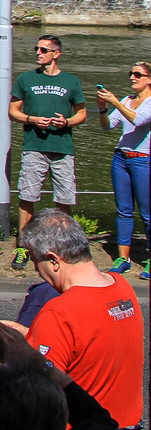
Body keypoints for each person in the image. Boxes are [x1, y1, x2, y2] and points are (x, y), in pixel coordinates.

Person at [21, 210, 144, 430]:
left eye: (33, 258)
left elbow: (37, 397)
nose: (33, 268)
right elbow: (93, 346)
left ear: (53, 260)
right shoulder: (123, 288)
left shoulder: (59, 313)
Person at [7, 34, 87, 270]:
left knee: (64, 200)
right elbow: (13, 111)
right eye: (36, 48)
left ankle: (62, 246)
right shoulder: (26, 79)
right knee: (27, 196)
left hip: (62, 148)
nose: (38, 53)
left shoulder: (72, 81)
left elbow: (82, 113)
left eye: (43, 49)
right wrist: (31, 118)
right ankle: (23, 247)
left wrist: (67, 122)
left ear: (56, 53)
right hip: (34, 146)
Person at [94, 61, 151, 279]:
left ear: (149, 79)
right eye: (131, 73)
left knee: (147, 213)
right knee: (123, 210)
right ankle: (123, 258)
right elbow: (108, 125)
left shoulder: (148, 103)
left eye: (138, 74)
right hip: (121, 158)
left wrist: (116, 102)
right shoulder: (128, 101)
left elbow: (138, 120)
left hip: (142, 160)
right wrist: (102, 108)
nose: (132, 77)